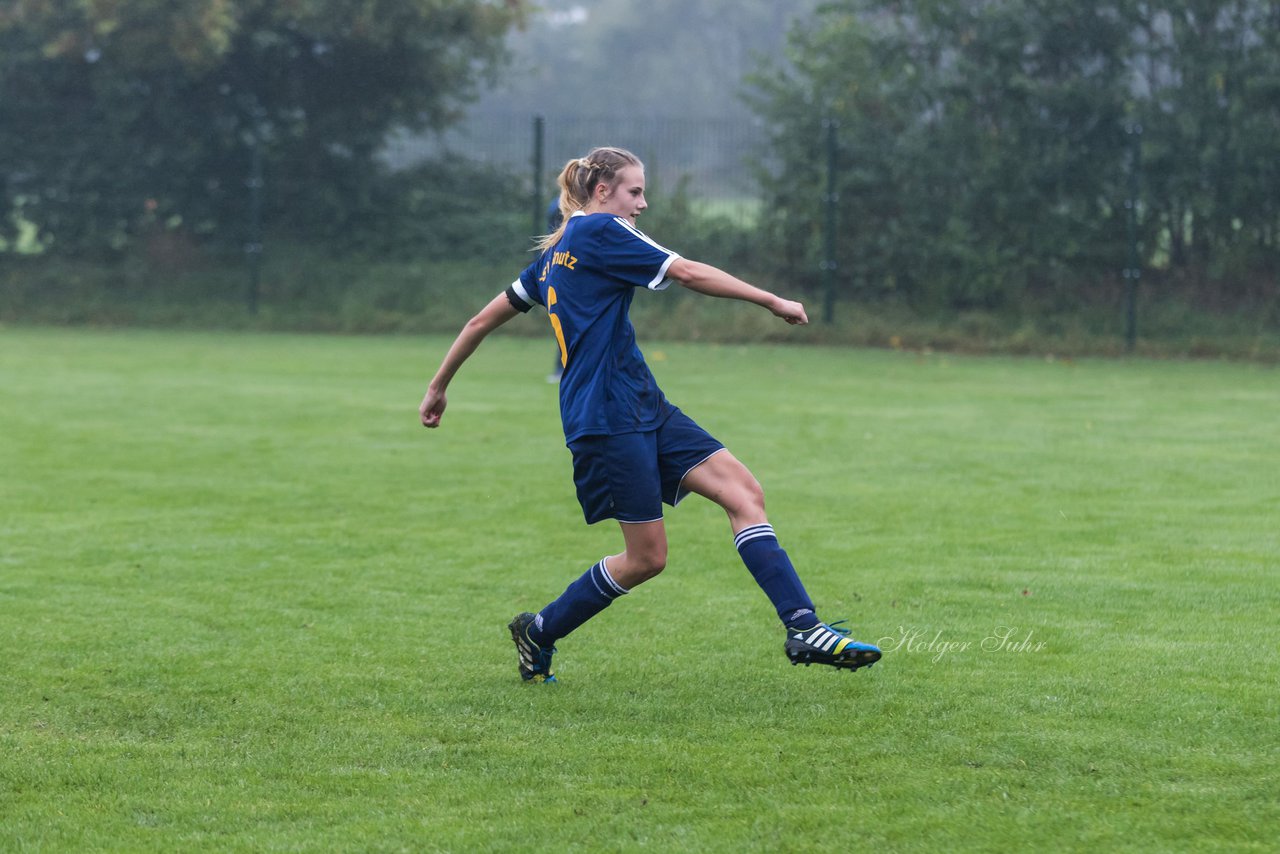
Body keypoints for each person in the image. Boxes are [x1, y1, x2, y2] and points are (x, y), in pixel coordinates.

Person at [419, 146, 881, 683]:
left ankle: (804, 627)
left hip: (643, 403)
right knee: (645, 558)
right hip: (607, 417)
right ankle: (539, 631)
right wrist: (770, 299)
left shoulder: (557, 252)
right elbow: (685, 271)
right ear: (602, 191)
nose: (642, 203)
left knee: (743, 493)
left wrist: (438, 385)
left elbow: (479, 321)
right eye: (635, 191)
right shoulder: (599, 231)